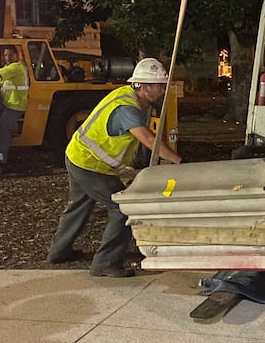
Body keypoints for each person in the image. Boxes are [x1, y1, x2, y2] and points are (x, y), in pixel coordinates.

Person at [46, 58, 181, 277]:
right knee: (123, 208)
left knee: (79, 204)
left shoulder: (129, 97)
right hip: (90, 164)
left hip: (79, 156)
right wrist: (179, 163)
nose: (163, 90)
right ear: (145, 87)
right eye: (159, 85)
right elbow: (148, 139)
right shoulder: (128, 108)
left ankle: (59, 251)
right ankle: (106, 263)